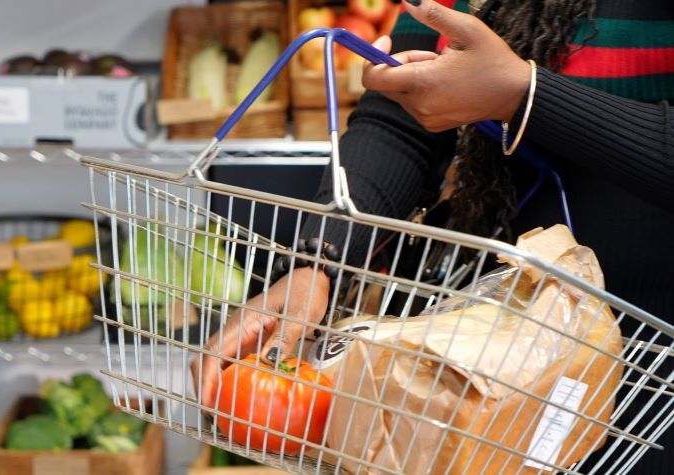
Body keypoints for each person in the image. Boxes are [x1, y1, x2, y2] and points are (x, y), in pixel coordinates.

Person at [194, 0, 674, 471]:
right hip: (487, 344)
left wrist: (524, 96)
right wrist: (318, 259)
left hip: (652, 372)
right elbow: (398, 123)